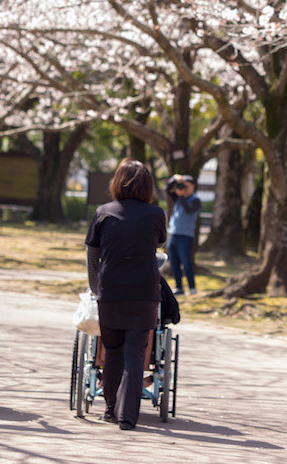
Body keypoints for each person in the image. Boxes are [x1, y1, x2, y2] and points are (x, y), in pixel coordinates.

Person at [85, 158, 167, 431]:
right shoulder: (156, 214)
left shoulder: (103, 212)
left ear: (117, 182)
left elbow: (92, 256)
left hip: (111, 292)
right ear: (148, 186)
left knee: (113, 351)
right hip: (144, 292)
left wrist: (97, 290)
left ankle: (109, 409)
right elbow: (158, 247)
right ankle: (127, 415)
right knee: (135, 352)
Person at [164, 174, 201, 295]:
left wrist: (182, 196)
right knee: (174, 262)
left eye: (187, 185)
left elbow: (189, 210)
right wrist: (174, 179)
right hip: (173, 234)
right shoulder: (179, 198)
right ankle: (178, 287)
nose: (184, 188)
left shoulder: (195, 200)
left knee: (186, 262)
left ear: (193, 186)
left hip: (186, 235)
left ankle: (192, 287)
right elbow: (167, 189)